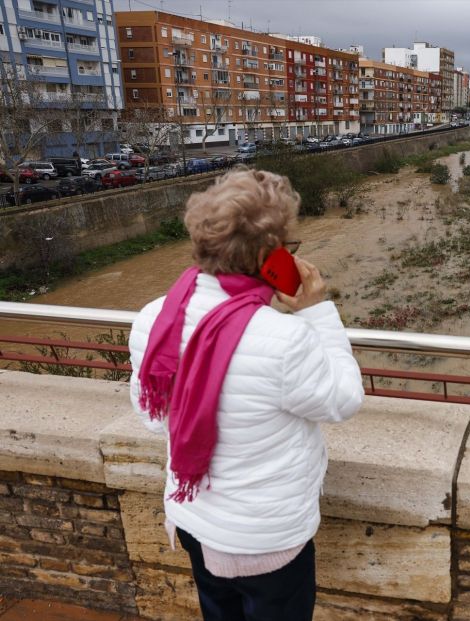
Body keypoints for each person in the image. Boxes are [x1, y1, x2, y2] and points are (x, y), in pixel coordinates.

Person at [128, 168, 364, 621]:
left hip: (195, 519)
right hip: (266, 539)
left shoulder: (154, 318)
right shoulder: (283, 337)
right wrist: (317, 312)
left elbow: (154, 417)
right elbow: (344, 398)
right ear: (268, 254)